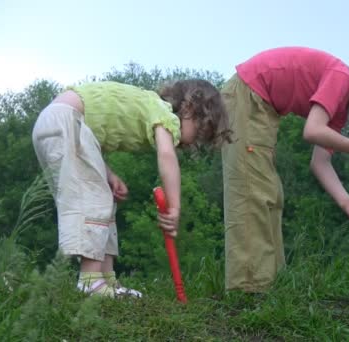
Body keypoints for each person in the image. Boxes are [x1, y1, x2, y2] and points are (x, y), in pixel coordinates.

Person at [221, 46, 349, 292]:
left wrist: (348, 202)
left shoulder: (338, 112)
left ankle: (269, 284)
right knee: (252, 191)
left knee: (270, 193)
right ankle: (247, 290)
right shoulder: (341, 77)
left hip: (261, 108)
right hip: (248, 97)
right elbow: (312, 131)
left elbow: (320, 162)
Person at [32, 79, 231, 298]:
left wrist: (108, 174)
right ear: (189, 108)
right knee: (92, 200)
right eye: (199, 133)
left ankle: (106, 279)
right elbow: (166, 156)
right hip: (67, 121)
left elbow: (90, 141)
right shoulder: (164, 114)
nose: (193, 145)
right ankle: (90, 282)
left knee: (101, 199)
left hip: (58, 122)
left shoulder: (147, 105)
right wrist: (174, 207)